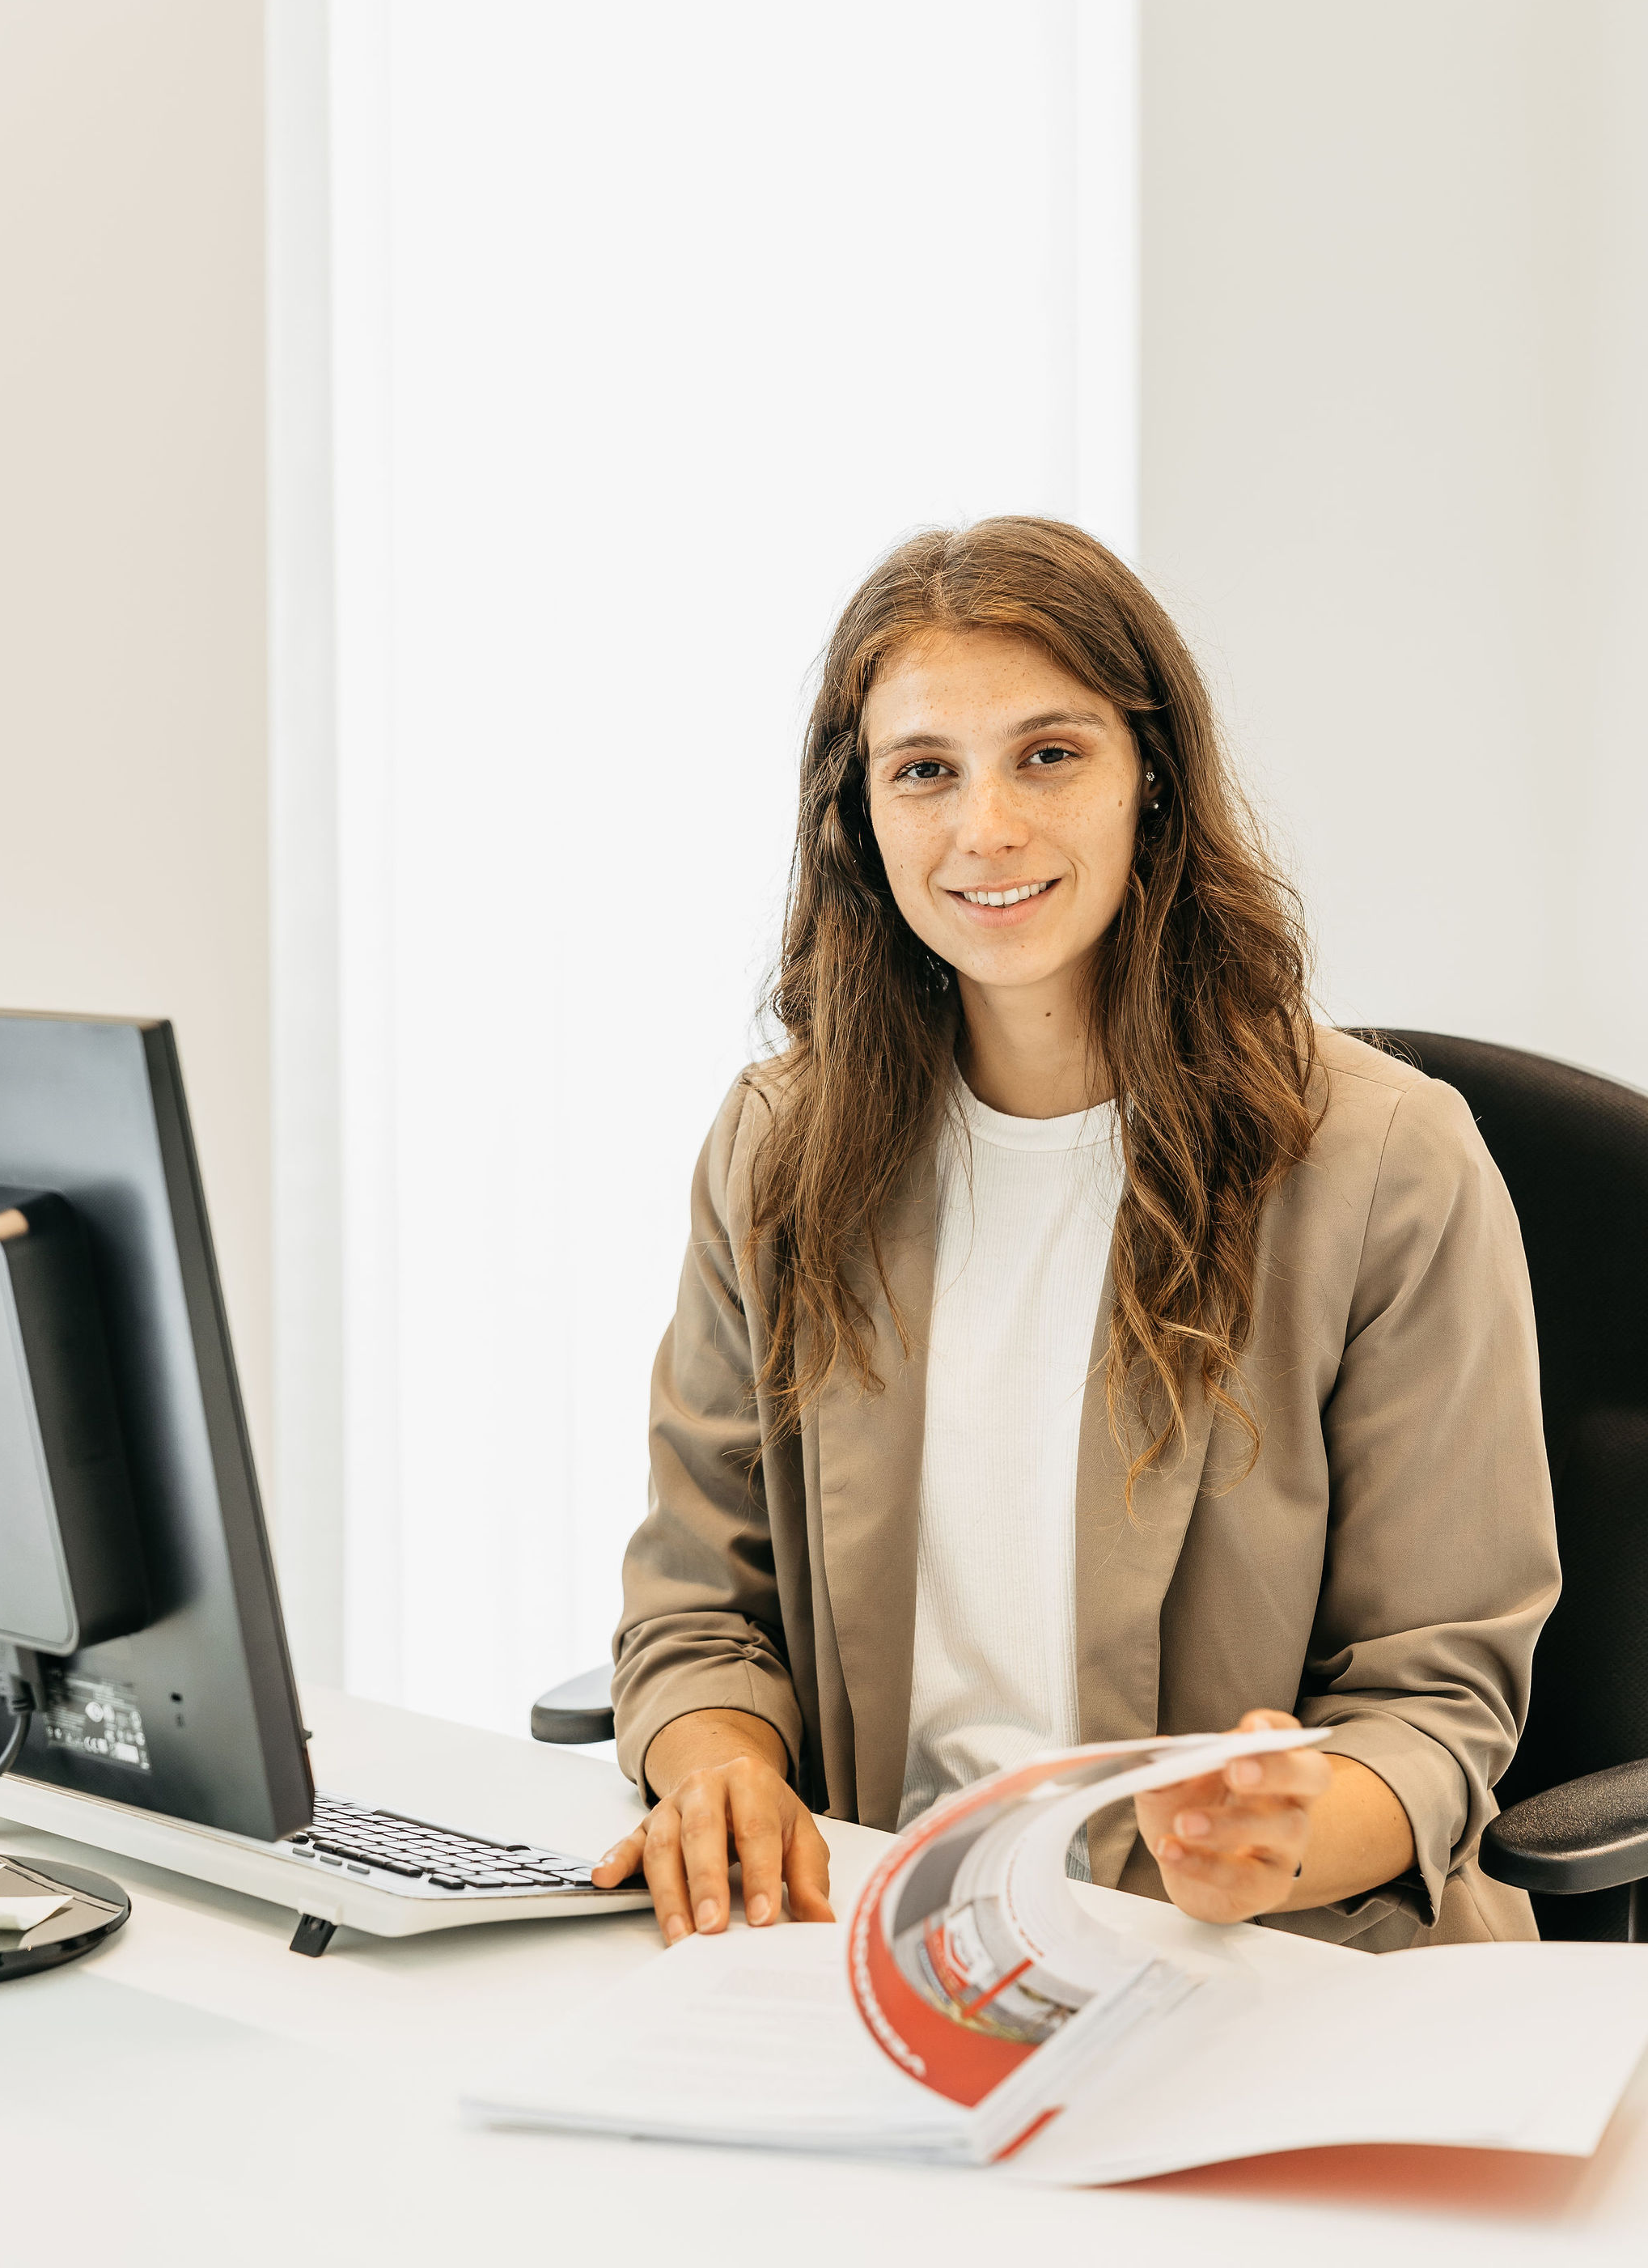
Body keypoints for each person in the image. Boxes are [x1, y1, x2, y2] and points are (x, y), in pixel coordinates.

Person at [591, 517, 1560, 1954]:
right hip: (880, 1942)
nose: (988, 829)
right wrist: (722, 1774)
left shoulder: (1386, 1163)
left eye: (1050, 754)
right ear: (857, 821)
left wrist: (1283, 1837)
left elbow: (1436, 1701)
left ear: (1149, 779)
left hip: (1275, 1961)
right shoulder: (779, 1150)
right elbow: (699, 1608)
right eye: (925, 771)